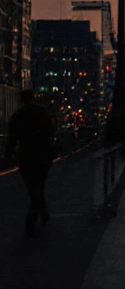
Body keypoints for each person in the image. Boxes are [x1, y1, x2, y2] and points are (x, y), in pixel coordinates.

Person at [5, 89, 56, 237]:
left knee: (33, 189)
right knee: (39, 186)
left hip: (26, 156)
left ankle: (36, 217)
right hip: (42, 155)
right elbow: (51, 132)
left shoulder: (17, 116)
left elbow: (12, 139)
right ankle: (37, 215)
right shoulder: (42, 113)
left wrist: (8, 155)